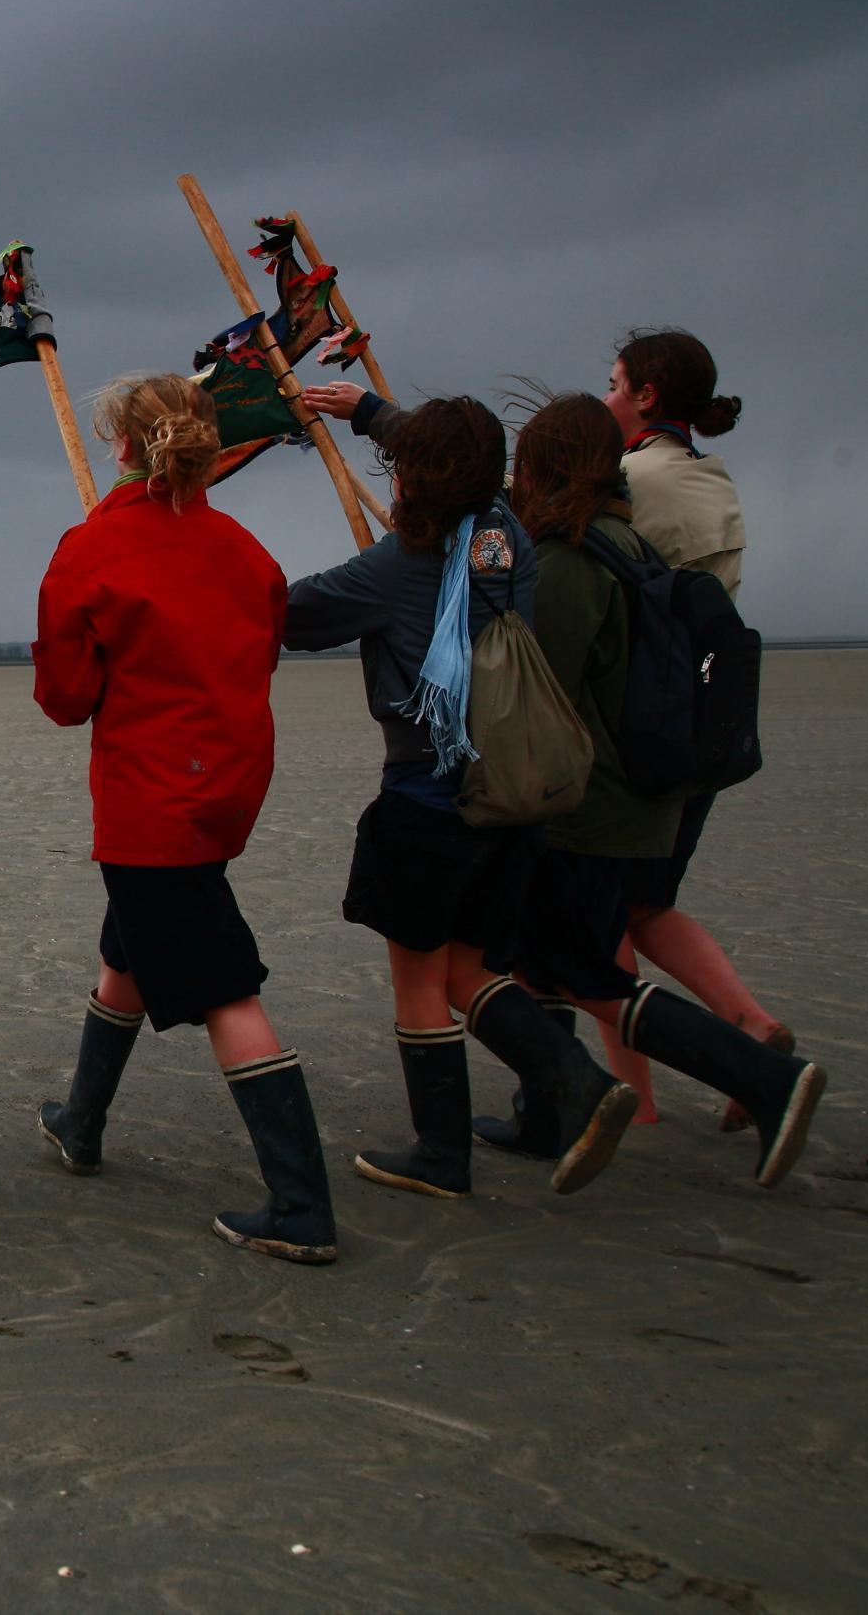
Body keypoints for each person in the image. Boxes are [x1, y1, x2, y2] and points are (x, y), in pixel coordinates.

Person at [283, 386, 639, 1200]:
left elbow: (288, 615)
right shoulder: (505, 534)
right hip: (507, 806)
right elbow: (459, 465)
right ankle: (577, 1083)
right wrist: (372, 411)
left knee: (419, 983)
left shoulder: (395, 566)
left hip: (427, 800)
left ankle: (445, 1153)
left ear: (411, 478)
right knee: (471, 973)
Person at [31, 372, 337, 1265]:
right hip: (228, 785)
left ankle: (301, 1203)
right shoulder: (248, 551)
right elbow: (259, 651)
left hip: (154, 798)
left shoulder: (93, 549)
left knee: (221, 988)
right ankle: (81, 1122)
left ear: (124, 448)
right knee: (129, 947)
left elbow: (64, 696)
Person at [493, 392, 824, 1186]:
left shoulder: (574, 564)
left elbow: (544, 691)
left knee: (573, 968)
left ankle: (762, 1078)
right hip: (638, 801)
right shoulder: (630, 544)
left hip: (585, 808)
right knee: (547, 963)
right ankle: (548, 1112)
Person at [605, 328, 791, 1134]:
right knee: (648, 901)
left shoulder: (633, 477)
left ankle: (633, 1099)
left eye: (614, 384)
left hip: (643, 722)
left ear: (647, 396)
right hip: (708, 714)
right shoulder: (712, 477)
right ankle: (748, 1022)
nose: (606, 397)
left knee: (602, 912)